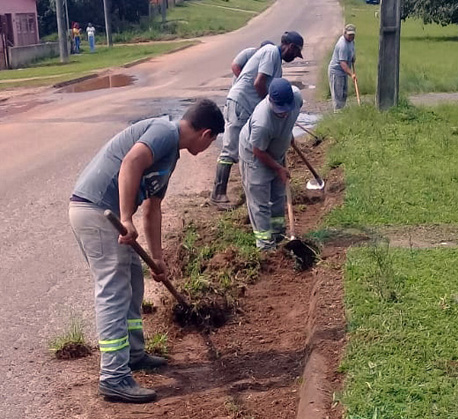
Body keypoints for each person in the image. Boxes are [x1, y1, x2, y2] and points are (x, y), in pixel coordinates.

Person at [69, 100, 225, 403]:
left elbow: (153, 208)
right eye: (213, 141)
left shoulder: (171, 155)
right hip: (97, 211)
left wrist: (157, 258)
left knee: (133, 284)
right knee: (113, 291)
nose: (211, 146)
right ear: (206, 135)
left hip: (109, 214)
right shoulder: (164, 131)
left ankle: (134, 354)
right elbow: (130, 163)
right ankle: (114, 376)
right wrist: (126, 218)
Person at [210, 31, 304, 211]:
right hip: (241, 104)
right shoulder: (270, 52)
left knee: (250, 145)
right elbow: (258, 83)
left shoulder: (277, 63)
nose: (295, 57)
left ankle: (251, 191)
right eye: (296, 52)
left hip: (249, 107)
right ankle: (217, 194)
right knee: (231, 149)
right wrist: (267, 110)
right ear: (290, 47)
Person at [238, 78, 303, 250]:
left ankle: (278, 234)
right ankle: (265, 245)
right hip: (255, 156)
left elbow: (288, 121)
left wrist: (286, 136)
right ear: (270, 100)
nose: (283, 113)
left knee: (278, 195)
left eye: (285, 110)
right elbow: (258, 151)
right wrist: (279, 168)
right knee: (260, 202)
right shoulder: (262, 121)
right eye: (279, 110)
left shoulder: (297, 99)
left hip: (276, 152)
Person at [328, 24, 357, 112]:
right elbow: (343, 64)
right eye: (349, 35)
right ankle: (337, 114)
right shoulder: (342, 45)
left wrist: (353, 57)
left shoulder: (351, 41)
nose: (351, 36)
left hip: (343, 72)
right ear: (344, 33)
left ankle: (342, 112)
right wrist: (352, 74)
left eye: (353, 35)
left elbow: (351, 51)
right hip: (336, 72)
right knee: (338, 96)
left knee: (344, 94)